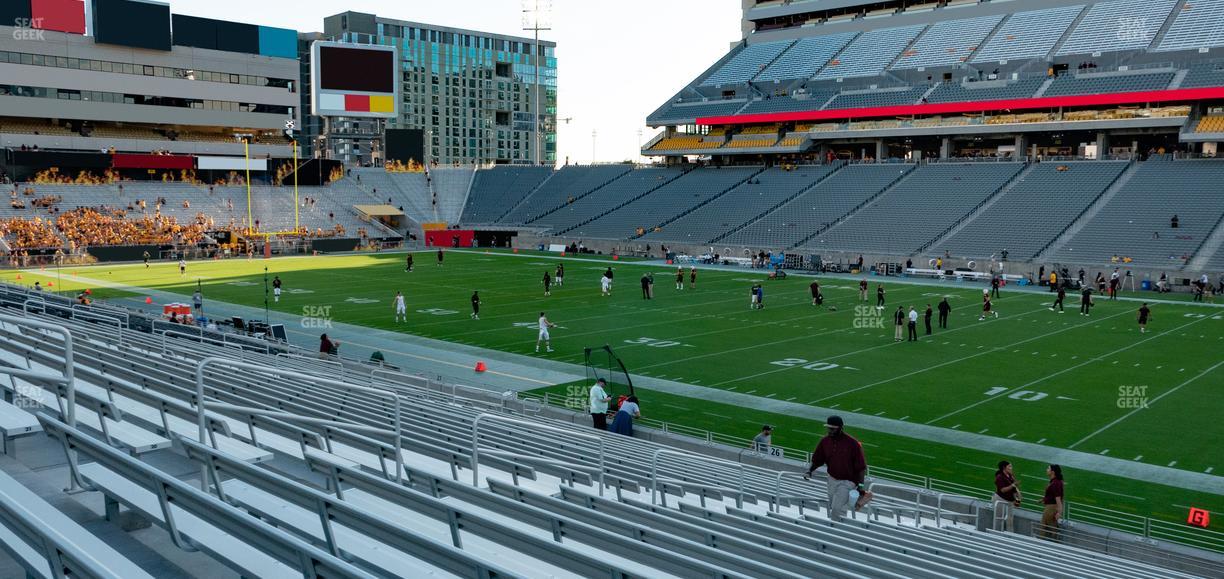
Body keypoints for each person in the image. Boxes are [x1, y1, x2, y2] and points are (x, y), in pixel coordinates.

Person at [803, 416, 870, 521]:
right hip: (832, 479)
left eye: (833, 429)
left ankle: (836, 531)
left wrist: (861, 486)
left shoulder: (853, 444)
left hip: (847, 482)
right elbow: (818, 459)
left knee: (836, 509)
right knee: (834, 507)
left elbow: (861, 467)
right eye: (829, 428)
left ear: (841, 428)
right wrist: (810, 470)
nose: (830, 431)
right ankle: (839, 528)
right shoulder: (825, 441)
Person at [993, 461, 1022, 532]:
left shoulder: (1010, 476)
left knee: (1010, 519)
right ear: (1004, 467)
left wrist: (1017, 499)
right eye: (1009, 466)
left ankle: (1010, 534)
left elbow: (1014, 489)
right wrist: (1013, 485)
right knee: (999, 518)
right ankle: (997, 533)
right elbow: (1003, 490)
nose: (1011, 468)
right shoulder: (999, 477)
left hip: (1010, 500)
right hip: (1000, 499)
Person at [1041, 465, 1064, 540]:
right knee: (1045, 526)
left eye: (1048, 468)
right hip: (1050, 507)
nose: (1046, 470)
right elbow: (1052, 495)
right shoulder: (1055, 481)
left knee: (1050, 527)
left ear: (1052, 472)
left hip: (1051, 508)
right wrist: (1044, 499)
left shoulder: (1055, 483)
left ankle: (1051, 542)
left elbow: (1058, 499)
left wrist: (1059, 512)